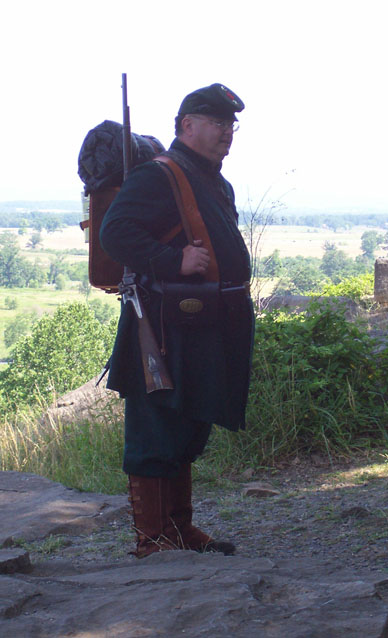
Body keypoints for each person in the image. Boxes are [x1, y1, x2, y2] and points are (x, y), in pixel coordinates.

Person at [100, 83, 254, 558]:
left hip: (205, 327)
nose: (226, 132)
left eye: (231, 124)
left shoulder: (213, 180)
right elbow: (115, 232)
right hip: (166, 328)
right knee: (155, 428)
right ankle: (152, 539)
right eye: (216, 122)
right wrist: (171, 260)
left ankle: (178, 529)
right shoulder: (159, 176)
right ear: (187, 125)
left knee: (188, 427)